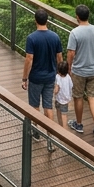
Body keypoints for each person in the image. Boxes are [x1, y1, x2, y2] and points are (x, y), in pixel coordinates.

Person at [21, 9, 63, 150]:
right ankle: (50, 139)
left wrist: (24, 78)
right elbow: (59, 58)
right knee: (48, 107)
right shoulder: (55, 37)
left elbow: (29, 59)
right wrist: (58, 75)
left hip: (36, 77)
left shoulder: (32, 38)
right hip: (50, 77)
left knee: (34, 106)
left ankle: (36, 132)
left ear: (35, 21)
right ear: (47, 20)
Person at [67, 5, 94, 140]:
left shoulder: (75, 33)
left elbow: (71, 52)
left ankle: (79, 124)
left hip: (79, 70)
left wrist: (69, 67)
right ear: (88, 16)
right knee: (92, 96)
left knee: (78, 97)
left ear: (77, 16)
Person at [53, 60, 72, 128]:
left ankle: (61, 126)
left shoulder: (57, 77)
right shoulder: (68, 77)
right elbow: (71, 86)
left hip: (59, 99)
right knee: (64, 114)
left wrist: (53, 91)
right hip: (66, 100)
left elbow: (56, 90)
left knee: (58, 112)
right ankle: (64, 128)